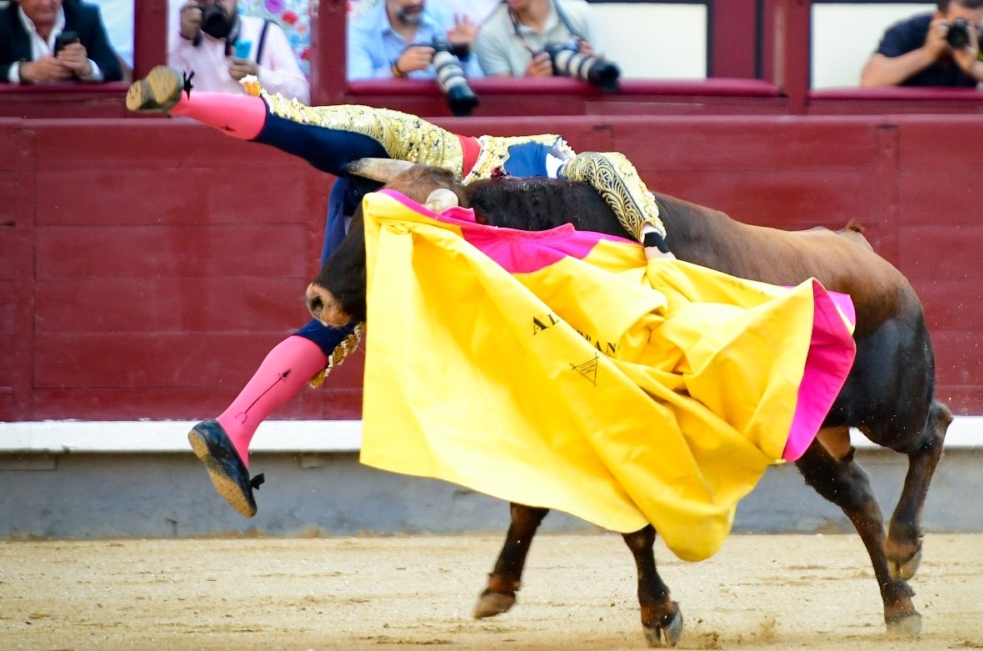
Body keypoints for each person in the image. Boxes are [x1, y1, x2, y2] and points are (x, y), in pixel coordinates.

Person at [124, 65, 671, 518]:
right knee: (309, 140)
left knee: (331, 297)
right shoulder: (556, 157)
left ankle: (234, 427)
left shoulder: (544, 177)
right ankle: (187, 100)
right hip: (426, 174)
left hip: (399, 195)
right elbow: (607, 165)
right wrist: (650, 233)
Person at [170, 0, 309, 103]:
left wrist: (260, 76)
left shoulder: (267, 32)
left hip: (258, 129)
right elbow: (166, 99)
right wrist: (183, 39)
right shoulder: (181, 42)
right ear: (190, 4)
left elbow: (302, 97)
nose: (213, 7)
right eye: (203, 1)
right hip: (201, 129)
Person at [860, 0, 983, 89]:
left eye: (975, 26)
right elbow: (870, 82)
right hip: (909, 117)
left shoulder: (978, 34)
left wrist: (973, 67)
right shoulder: (908, 31)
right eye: (959, 24)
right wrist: (928, 54)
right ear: (938, 18)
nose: (966, 32)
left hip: (959, 118)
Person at [348, 0, 483, 81]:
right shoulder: (359, 31)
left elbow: (480, 89)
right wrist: (396, 71)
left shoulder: (446, 20)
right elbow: (357, 94)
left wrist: (464, 54)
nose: (415, 0)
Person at [1, 0, 123, 84]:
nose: (46, 2)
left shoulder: (86, 18)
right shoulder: (3, 22)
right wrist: (22, 71)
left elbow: (113, 71)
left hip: (75, 107)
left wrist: (87, 68)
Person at [475, 0, 599, 77]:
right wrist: (528, 83)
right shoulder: (489, 34)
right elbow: (501, 103)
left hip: (577, 106)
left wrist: (592, 65)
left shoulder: (580, 13)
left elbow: (607, 85)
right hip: (530, 108)